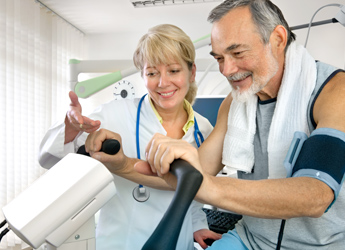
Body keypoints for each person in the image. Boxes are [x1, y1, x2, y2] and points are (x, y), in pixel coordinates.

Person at [135, 1, 345, 250]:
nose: (227, 70)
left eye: (237, 53)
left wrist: (206, 184)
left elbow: (315, 196)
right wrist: (124, 164)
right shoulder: (235, 102)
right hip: (251, 239)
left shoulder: (334, 92)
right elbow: (198, 172)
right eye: (220, 58)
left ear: (277, 39)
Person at [38, 24, 221, 250]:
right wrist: (71, 127)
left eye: (173, 71)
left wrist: (197, 225)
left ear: (191, 72)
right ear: (143, 75)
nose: (163, 83)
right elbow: (48, 158)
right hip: (122, 243)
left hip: (178, 244)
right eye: (152, 73)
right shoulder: (114, 114)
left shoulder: (203, 129)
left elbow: (191, 193)